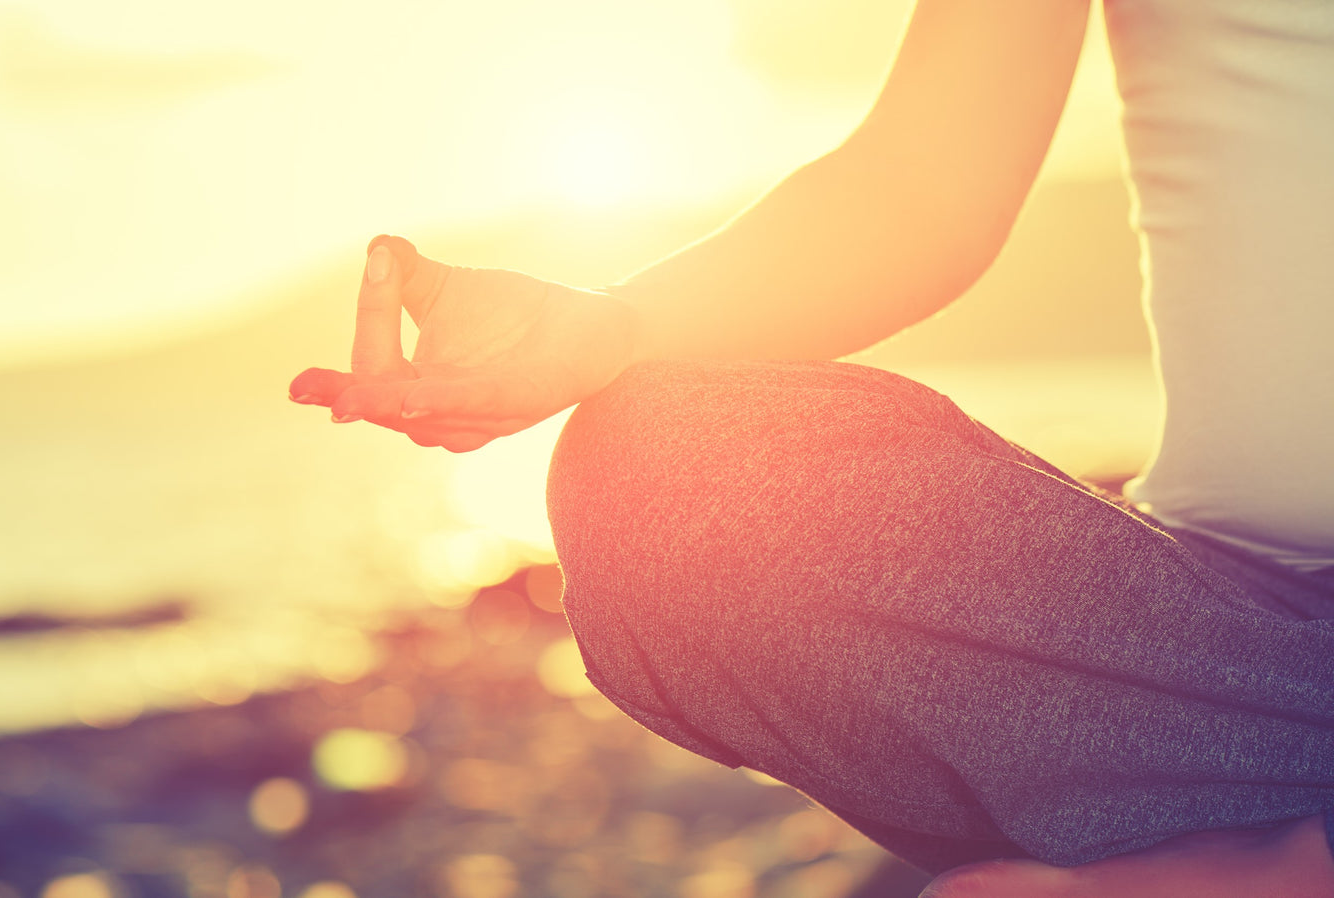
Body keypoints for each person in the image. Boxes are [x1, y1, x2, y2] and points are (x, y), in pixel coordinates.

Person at [291, 0, 1334, 894]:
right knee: (663, 478)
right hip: (1238, 646)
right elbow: (919, 187)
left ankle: (1267, 847)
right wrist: (617, 326)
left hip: (1256, 706)